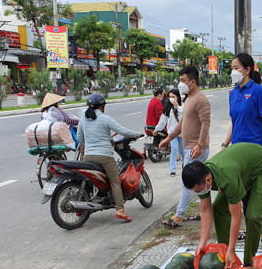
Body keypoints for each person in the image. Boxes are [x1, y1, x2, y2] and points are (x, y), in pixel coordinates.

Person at [182, 143, 262, 267]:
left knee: (253, 216)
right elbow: (206, 210)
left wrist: (232, 250)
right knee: (218, 208)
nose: (198, 193)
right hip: (243, 171)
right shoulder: (199, 177)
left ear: (208, 180)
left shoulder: (226, 178)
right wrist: (202, 242)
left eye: (198, 190)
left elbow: (236, 217)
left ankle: (249, 262)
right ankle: (224, 255)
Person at [221, 53, 262, 251]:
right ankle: (247, 228)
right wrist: (225, 145)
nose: (233, 71)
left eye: (236, 67)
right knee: (242, 193)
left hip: (254, 151)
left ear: (247, 70)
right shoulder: (233, 93)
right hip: (236, 152)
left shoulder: (258, 91)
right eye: (232, 67)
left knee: (258, 194)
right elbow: (234, 123)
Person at [77, 93, 144, 223]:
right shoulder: (105, 118)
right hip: (104, 157)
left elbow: (80, 138)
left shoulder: (83, 119)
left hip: (89, 156)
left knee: (89, 180)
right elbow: (122, 130)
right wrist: (138, 134)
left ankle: (82, 207)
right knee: (115, 182)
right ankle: (120, 209)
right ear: (102, 106)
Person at [159, 66, 211, 228]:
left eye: (183, 81)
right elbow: (183, 124)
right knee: (199, 182)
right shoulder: (189, 99)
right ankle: (206, 210)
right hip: (190, 147)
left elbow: (205, 123)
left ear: (192, 82)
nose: (180, 84)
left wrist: (200, 145)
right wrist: (168, 138)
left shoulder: (200, 99)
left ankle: (179, 215)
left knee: (187, 182)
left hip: (195, 148)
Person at [154, 89, 184, 177]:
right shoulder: (168, 107)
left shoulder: (182, 106)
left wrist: (178, 106)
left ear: (177, 97)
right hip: (172, 133)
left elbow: (186, 116)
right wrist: (157, 129)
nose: (171, 99)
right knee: (174, 150)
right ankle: (173, 170)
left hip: (182, 132)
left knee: (183, 152)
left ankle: (184, 165)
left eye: (173, 97)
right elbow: (163, 120)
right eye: (170, 97)